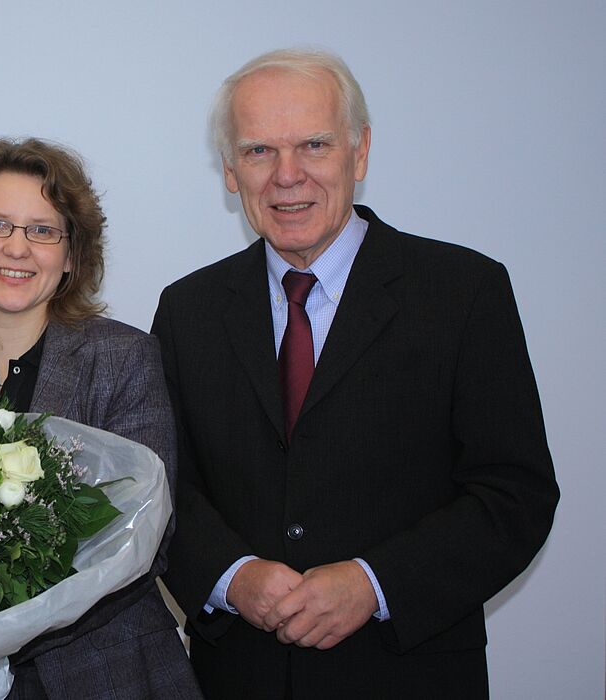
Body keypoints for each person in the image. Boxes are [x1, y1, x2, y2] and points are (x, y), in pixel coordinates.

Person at [152, 49, 559, 698]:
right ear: (230, 171)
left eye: (313, 145)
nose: (287, 176)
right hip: (237, 678)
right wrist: (231, 576)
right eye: (258, 151)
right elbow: (163, 485)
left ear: (359, 152)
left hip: (409, 674)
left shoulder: (462, 292)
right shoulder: (187, 309)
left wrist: (374, 584)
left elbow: (514, 494)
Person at [0, 138, 203, 698]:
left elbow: (147, 540)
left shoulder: (123, 358)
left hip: (100, 671)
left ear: (72, 255)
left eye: (43, 230)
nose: (17, 249)